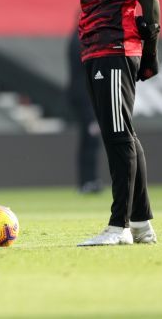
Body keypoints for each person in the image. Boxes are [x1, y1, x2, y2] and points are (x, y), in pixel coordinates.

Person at [69, 0, 160, 246]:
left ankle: (117, 225)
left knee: (118, 135)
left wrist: (150, 54)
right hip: (92, 46)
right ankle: (140, 223)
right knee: (120, 133)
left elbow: (150, 1)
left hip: (117, 45)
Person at [66, 22, 104, 194]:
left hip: (83, 95)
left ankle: (88, 181)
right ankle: (88, 181)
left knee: (89, 140)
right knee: (90, 139)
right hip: (85, 97)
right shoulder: (82, 40)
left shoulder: (78, 38)